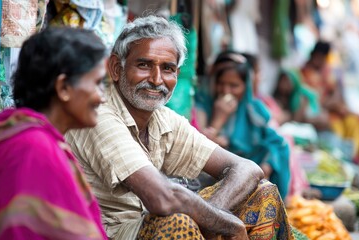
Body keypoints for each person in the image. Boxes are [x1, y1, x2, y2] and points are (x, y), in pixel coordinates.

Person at [66, 15, 294, 239]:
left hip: (146, 225)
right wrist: (227, 224)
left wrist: (213, 220)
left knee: (263, 193)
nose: (156, 80)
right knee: (176, 221)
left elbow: (248, 168)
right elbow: (161, 198)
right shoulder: (99, 116)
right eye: (144, 65)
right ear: (116, 68)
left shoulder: (163, 119)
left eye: (167, 68)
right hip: (109, 232)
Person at [0, 27, 108, 239]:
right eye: (98, 83)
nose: (103, 97)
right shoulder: (35, 148)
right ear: (63, 87)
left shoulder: (11, 133)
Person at [196, 51, 291, 198]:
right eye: (221, 84)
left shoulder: (255, 110)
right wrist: (219, 118)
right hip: (217, 178)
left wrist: (268, 163)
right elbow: (200, 149)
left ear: (245, 87)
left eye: (234, 86)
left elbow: (275, 143)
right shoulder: (202, 106)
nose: (226, 91)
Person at [300, 41, 359, 163]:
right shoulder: (303, 73)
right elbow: (310, 100)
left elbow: (335, 91)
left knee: (355, 120)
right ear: (313, 55)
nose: (320, 61)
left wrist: (337, 105)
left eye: (322, 58)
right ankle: (344, 157)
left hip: (332, 109)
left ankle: (355, 156)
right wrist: (329, 104)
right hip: (320, 112)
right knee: (338, 129)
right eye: (318, 57)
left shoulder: (327, 71)